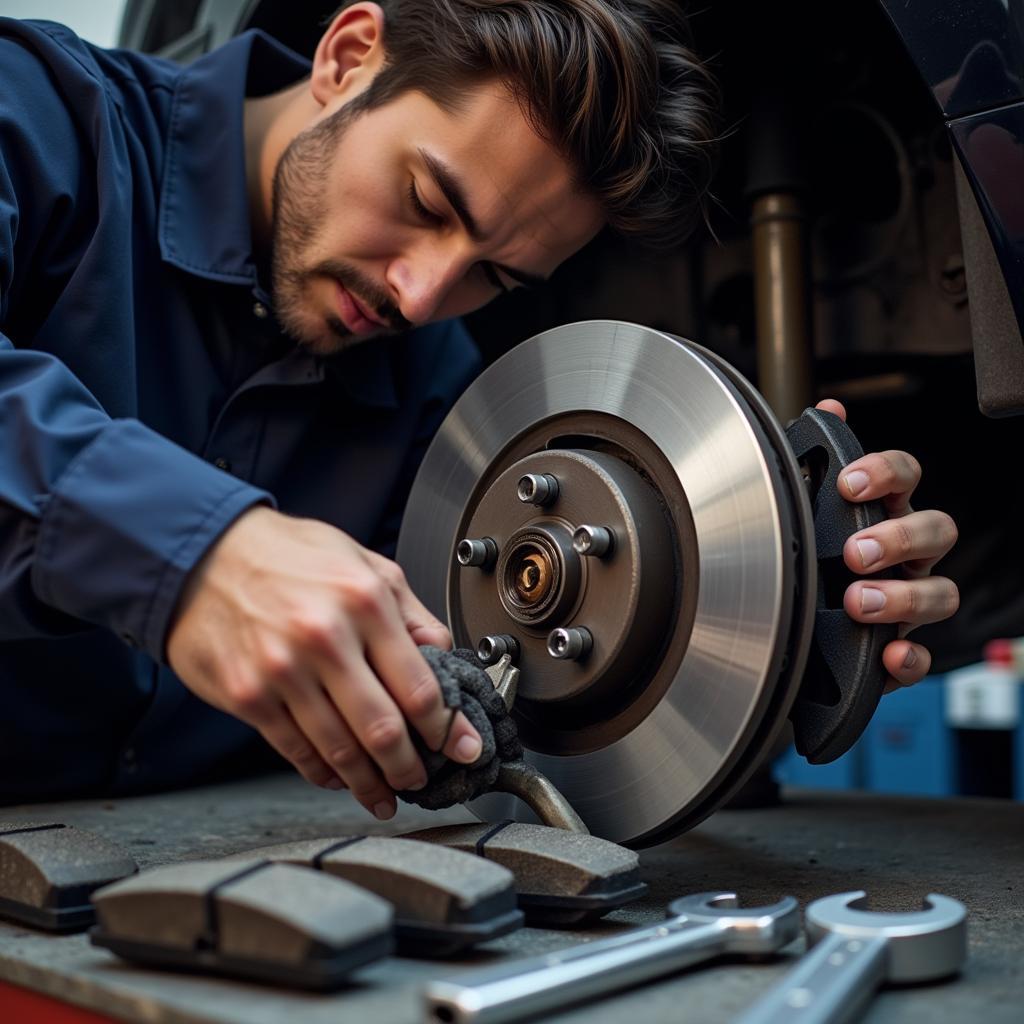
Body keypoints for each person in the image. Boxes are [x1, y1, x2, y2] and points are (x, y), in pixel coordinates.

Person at [0, 0, 958, 817]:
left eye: (494, 274)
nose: (420, 296)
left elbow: (508, 696)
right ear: (347, 57)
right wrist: (197, 557)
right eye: (426, 199)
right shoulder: (38, 114)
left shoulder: (433, 380)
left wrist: (796, 612)